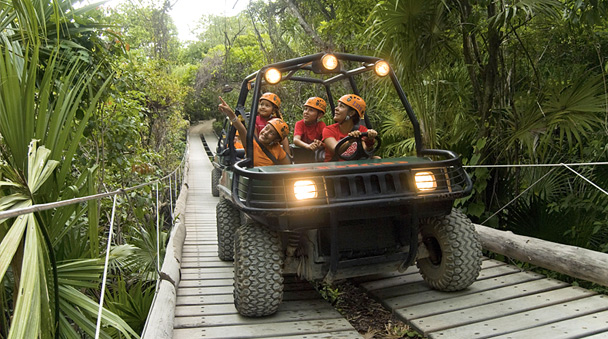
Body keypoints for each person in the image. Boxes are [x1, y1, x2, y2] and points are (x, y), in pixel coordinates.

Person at [219, 96, 290, 166]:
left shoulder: (277, 150)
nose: (265, 133)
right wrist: (230, 113)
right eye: (266, 128)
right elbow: (241, 129)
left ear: (276, 140)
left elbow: (287, 167)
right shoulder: (252, 145)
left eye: (271, 133)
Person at [322, 94, 378, 162]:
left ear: (351, 113)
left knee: (377, 159)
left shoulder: (362, 130)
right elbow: (335, 149)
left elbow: (365, 151)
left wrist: (370, 139)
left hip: (354, 167)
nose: (336, 109)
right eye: (337, 106)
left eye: (341, 106)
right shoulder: (328, 130)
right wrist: (350, 141)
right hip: (334, 169)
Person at [255, 92, 292, 158]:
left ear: (273, 110)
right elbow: (254, 137)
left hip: (273, 150)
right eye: (261, 104)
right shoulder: (255, 120)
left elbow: (284, 139)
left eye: (267, 106)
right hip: (258, 149)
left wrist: (287, 154)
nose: (263, 107)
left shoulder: (277, 121)